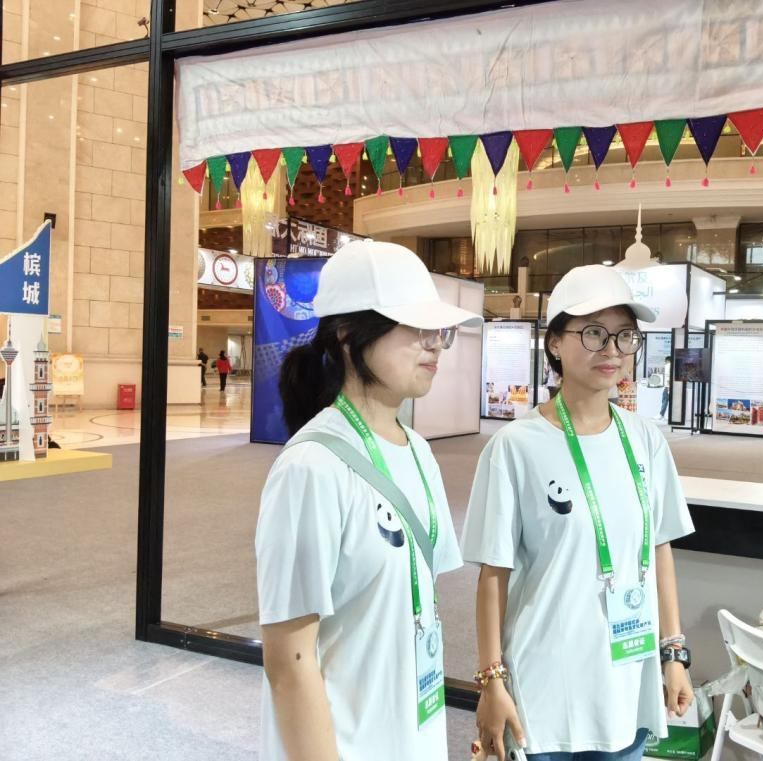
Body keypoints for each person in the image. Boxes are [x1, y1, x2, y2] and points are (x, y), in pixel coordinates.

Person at [255, 240, 482, 761]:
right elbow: (289, 663)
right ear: (347, 335)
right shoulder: (311, 468)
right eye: (416, 327)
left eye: (439, 331)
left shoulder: (419, 453)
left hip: (413, 733)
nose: (436, 345)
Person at [462, 264, 695, 761]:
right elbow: (492, 575)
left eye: (624, 335)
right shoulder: (515, 447)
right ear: (554, 343)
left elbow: (660, 548)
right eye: (593, 333)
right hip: (545, 687)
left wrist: (673, 653)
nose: (611, 350)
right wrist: (491, 680)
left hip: (624, 683)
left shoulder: (646, 441)